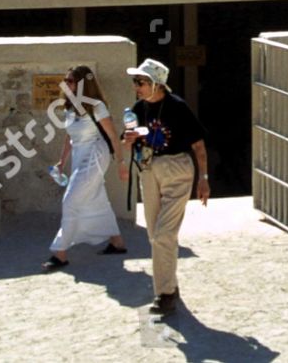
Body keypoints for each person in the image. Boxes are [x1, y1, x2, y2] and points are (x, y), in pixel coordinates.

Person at [119, 59, 208, 317]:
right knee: (155, 235)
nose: (136, 86)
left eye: (141, 82)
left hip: (177, 169)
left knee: (163, 234)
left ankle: (165, 294)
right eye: (135, 82)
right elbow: (128, 139)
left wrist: (203, 178)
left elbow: (199, 146)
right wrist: (129, 140)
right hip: (148, 169)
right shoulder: (138, 108)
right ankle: (170, 286)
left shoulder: (177, 107)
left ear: (156, 83)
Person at [45, 65, 126, 270]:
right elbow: (69, 136)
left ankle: (60, 253)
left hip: (96, 155)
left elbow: (113, 136)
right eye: (66, 80)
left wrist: (121, 163)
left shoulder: (96, 106)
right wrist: (62, 162)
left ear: (82, 84)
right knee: (96, 198)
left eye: (70, 81)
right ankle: (117, 242)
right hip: (80, 156)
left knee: (71, 199)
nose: (66, 84)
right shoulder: (71, 106)